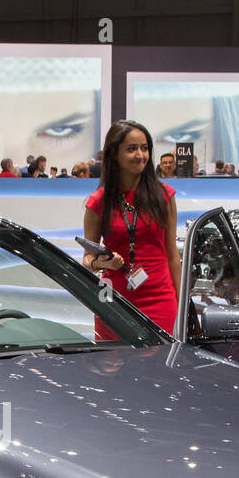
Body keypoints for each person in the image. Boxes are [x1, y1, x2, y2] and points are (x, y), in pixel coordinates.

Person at [82, 119, 181, 336]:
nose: (140, 155)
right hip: (111, 298)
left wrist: (182, 302)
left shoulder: (164, 196)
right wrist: (101, 262)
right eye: (132, 149)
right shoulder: (98, 202)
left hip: (160, 297)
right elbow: (88, 260)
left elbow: (172, 254)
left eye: (144, 148)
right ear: (114, 154)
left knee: (158, 365)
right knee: (111, 366)